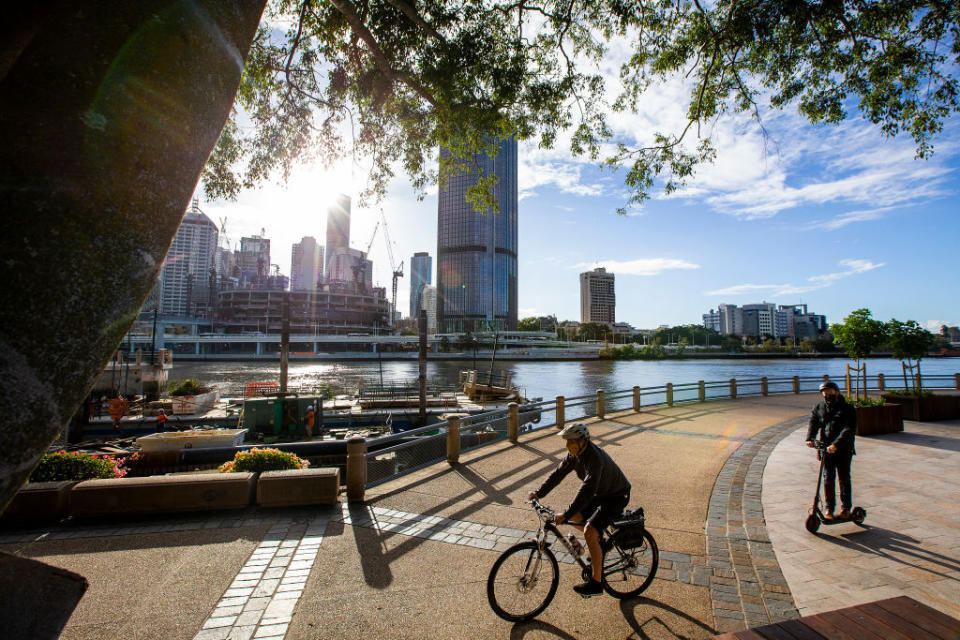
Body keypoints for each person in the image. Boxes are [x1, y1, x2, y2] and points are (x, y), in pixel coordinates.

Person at [527, 422, 631, 596]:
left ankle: (596, 584)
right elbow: (557, 474)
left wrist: (565, 514)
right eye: (567, 442)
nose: (568, 445)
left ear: (583, 441)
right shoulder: (573, 456)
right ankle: (601, 544)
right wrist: (538, 493)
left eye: (572, 442)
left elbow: (586, 491)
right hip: (600, 493)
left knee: (589, 531)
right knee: (576, 517)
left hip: (616, 496)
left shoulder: (594, 459)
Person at [806, 380, 857, 520]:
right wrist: (810, 438)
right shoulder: (820, 407)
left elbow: (849, 429)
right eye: (824, 393)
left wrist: (836, 444)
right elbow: (814, 422)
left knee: (844, 477)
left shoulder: (847, 408)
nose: (827, 395)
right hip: (826, 448)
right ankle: (829, 509)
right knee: (828, 478)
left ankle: (846, 508)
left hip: (843, 449)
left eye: (829, 392)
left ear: (836, 392)